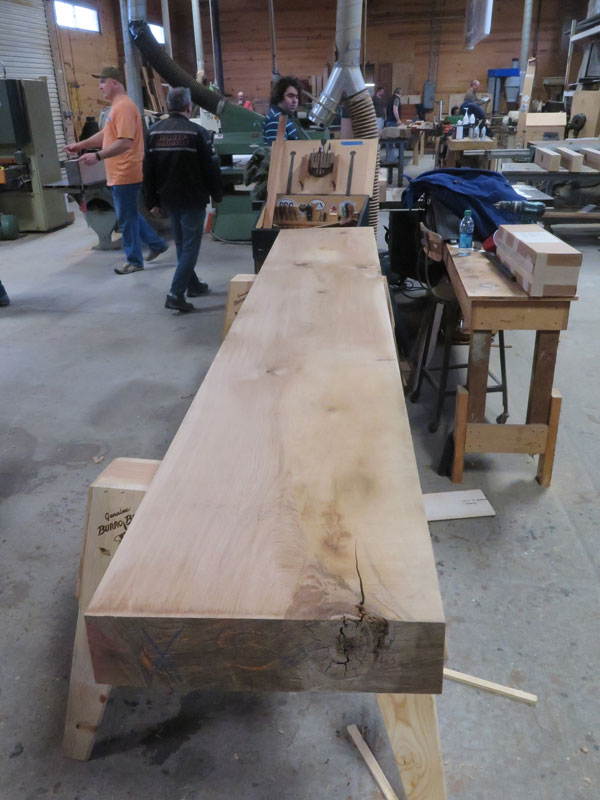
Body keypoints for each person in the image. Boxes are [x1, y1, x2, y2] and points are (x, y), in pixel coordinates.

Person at [64, 66, 168, 276]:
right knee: (130, 214)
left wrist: (97, 157)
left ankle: (134, 261)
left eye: (103, 82)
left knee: (126, 218)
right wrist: (81, 145)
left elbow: (124, 143)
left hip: (125, 171)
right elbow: (106, 135)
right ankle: (157, 244)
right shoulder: (117, 107)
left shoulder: (124, 107)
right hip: (119, 172)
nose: (100, 86)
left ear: (114, 83)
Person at [143, 87, 223, 313]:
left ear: (169, 106)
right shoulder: (198, 133)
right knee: (190, 249)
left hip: (168, 199)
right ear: (189, 107)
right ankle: (175, 294)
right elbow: (211, 168)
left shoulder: (154, 133)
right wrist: (217, 194)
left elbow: (147, 170)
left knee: (181, 244)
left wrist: (152, 201)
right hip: (192, 199)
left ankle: (193, 285)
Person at [263, 76, 302, 145]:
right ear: (279, 96)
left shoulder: (284, 116)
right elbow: (278, 150)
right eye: (290, 96)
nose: (295, 101)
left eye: (297, 97)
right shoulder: (276, 119)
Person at [384, 87, 402, 164]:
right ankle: (392, 159)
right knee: (393, 141)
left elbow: (385, 109)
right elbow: (395, 109)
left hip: (388, 121)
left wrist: (386, 118)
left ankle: (389, 158)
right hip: (393, 122)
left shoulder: (390, 99)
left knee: (388, 141)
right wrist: (398, 120)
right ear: (400, 93)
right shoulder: (397, 99)